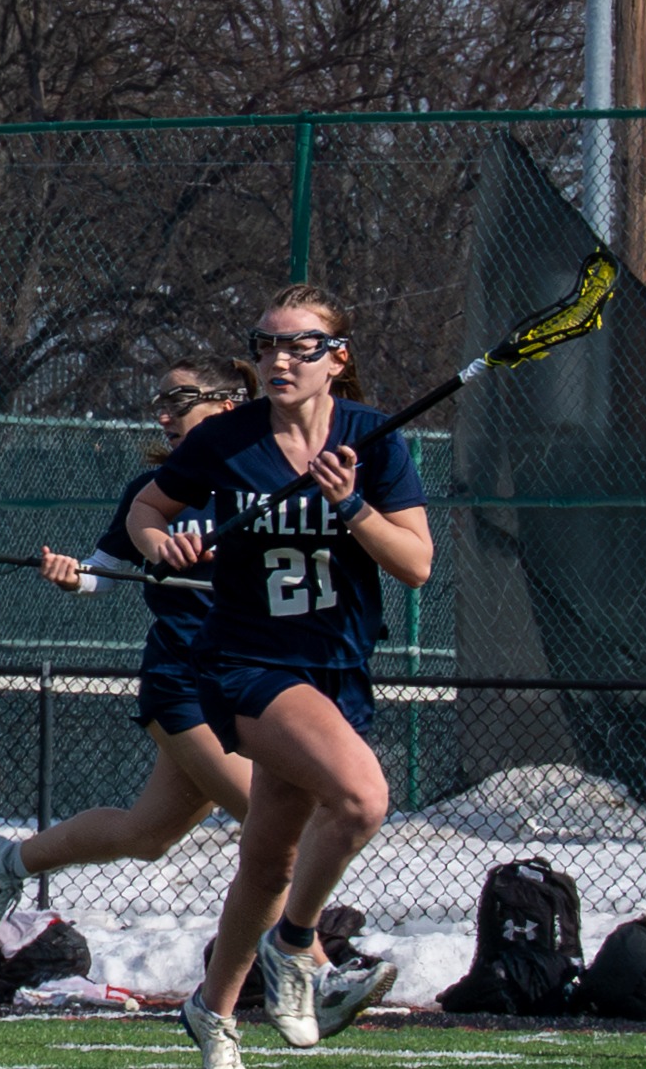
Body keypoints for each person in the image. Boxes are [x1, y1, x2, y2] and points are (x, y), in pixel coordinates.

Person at [0, 354, 393, 1036]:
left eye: (180, 399)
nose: (164, 414)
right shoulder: (163, 484)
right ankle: (314, 967)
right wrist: (69, 575)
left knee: (148, 833)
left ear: (227, 405)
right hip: (185, 684)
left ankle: (10, 857)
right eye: (159, 402)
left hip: (253, 680)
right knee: (272, 821)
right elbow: (104, 574)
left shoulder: (267, 477)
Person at [128, 285, 433, 1069]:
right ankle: (296, 944)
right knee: (363, 798)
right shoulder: (228, 439)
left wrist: (352, 504)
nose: (278, 359)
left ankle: (212, 1008)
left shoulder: (372, 438)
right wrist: (161, 544)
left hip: (340, 666)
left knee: (270, 860)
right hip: (249, 663)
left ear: (338, 359)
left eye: (299, 345)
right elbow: (147, 510)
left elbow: (418, 564)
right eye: (265, 345)